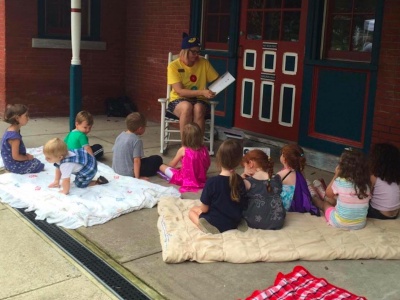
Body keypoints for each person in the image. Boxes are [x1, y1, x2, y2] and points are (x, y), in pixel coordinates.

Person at [189, 139, 248, 234]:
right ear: (239, 161)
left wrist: (200, 209)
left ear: (219, 159)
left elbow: (205, 209)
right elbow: (244, 203)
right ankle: (238, 223)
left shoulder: (212, 182)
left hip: (216, 222)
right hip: (234, 220)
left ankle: (206, 227)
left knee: (192, 211)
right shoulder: (240, 180)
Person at [167, 32, 219, 137]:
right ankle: (186, 146)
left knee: (198, 108)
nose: (197, 55)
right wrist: (202, 91)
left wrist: (212, 91)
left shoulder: (203, 62)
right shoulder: (173, 66)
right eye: (193, 52)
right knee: (187, 107)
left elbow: (217, 80)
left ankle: (197, 145)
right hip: (178, 99)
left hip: (200, 99)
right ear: (185, 51)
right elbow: (179, 91)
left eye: (198, 52)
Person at [310, 148, 371, 230]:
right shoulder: (365, 185)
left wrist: (336, 175)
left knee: (325, 204)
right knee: (336, 199)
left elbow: (328, 194)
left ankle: (314, 198)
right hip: (360, 224)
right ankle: (319, 188)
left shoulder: (340, 181)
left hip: (339, 222)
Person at [43, 138, 108, 195]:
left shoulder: (66, 165)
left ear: (60, 157)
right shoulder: (63, 154)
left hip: (89, 169)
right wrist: (56, 181)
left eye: (48, 158)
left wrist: (65, 191)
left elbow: (66, 180)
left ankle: (97, 182)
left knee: (80, 184)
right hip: (87, 160)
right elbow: (58, 168)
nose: (45, 159)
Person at [158, 122, 210, 193]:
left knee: (161, 166)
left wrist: (171, 166)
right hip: (200, 178)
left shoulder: (183, 150)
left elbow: (172, 165)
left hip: (183, 179)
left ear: (184, 137)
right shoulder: (204, 149)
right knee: (180, 166)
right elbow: (207, 163)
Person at [241, 149, 285, 230]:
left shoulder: (247, 182)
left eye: (244, 166)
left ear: (250, 163)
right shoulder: (277, 179)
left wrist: (241, 179)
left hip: (255, 222)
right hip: (278, 221)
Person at [112, 112, 163, 180]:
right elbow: (137, 161)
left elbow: (115, 151)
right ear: (140, 128)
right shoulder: (136, 140)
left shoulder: (120, 135)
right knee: (156, 159)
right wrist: (137, 177)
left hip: (116, 170)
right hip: (129, 173)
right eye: (145, 127)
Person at [276, 144, 320, 215]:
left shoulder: (281, 174)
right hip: (299, 203)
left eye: (282, 154)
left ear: (284, 159)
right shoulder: (300, 171)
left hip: (286, 205)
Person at [1, 104, 44, 174]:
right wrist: (27, 158)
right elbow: (15, 156)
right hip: (14, 165)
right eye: (26, 116)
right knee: (37, 164)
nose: (28, 118)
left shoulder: (11, 129)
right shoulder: (14, 137)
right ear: (17, 118)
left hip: (9, 162)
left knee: (34, 160)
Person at [367, 143, 400, 219]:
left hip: (379, 214)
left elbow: (366, 194)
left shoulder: (374, 177)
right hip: (395, 214)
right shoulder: (397, 177)